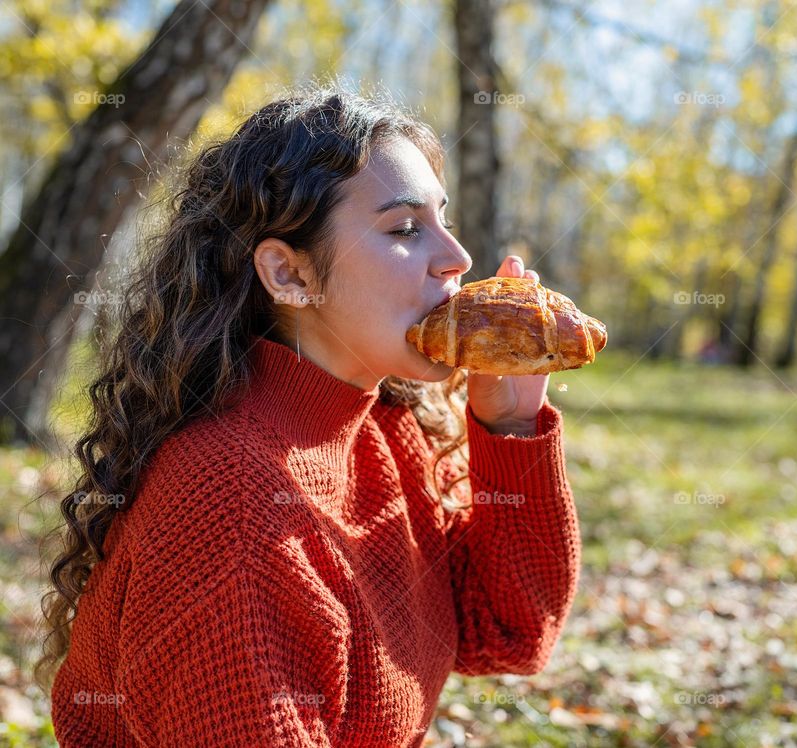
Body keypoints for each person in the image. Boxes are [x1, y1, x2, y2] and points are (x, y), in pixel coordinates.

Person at [39, 84, 581, 747]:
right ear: (291, 276)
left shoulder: (384, 429)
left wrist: (511, 426)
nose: (459, 259)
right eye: (406, 228)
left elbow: (508, 634)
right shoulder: (232, 501)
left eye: (444, 219)